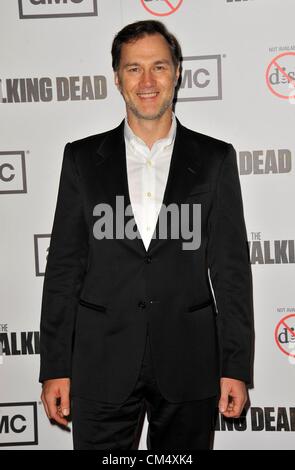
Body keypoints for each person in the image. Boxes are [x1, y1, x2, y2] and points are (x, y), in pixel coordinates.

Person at [39, 20, 254, 450]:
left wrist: (236, 366)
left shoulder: (215, 159)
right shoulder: (82, 160)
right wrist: (54, 366)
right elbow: (64, 268)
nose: (148, 81)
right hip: (101, 360)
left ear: (177, 72)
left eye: (158, 66)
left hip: (189, 360)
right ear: (117, 78)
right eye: (134, 68)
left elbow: (231, 273)